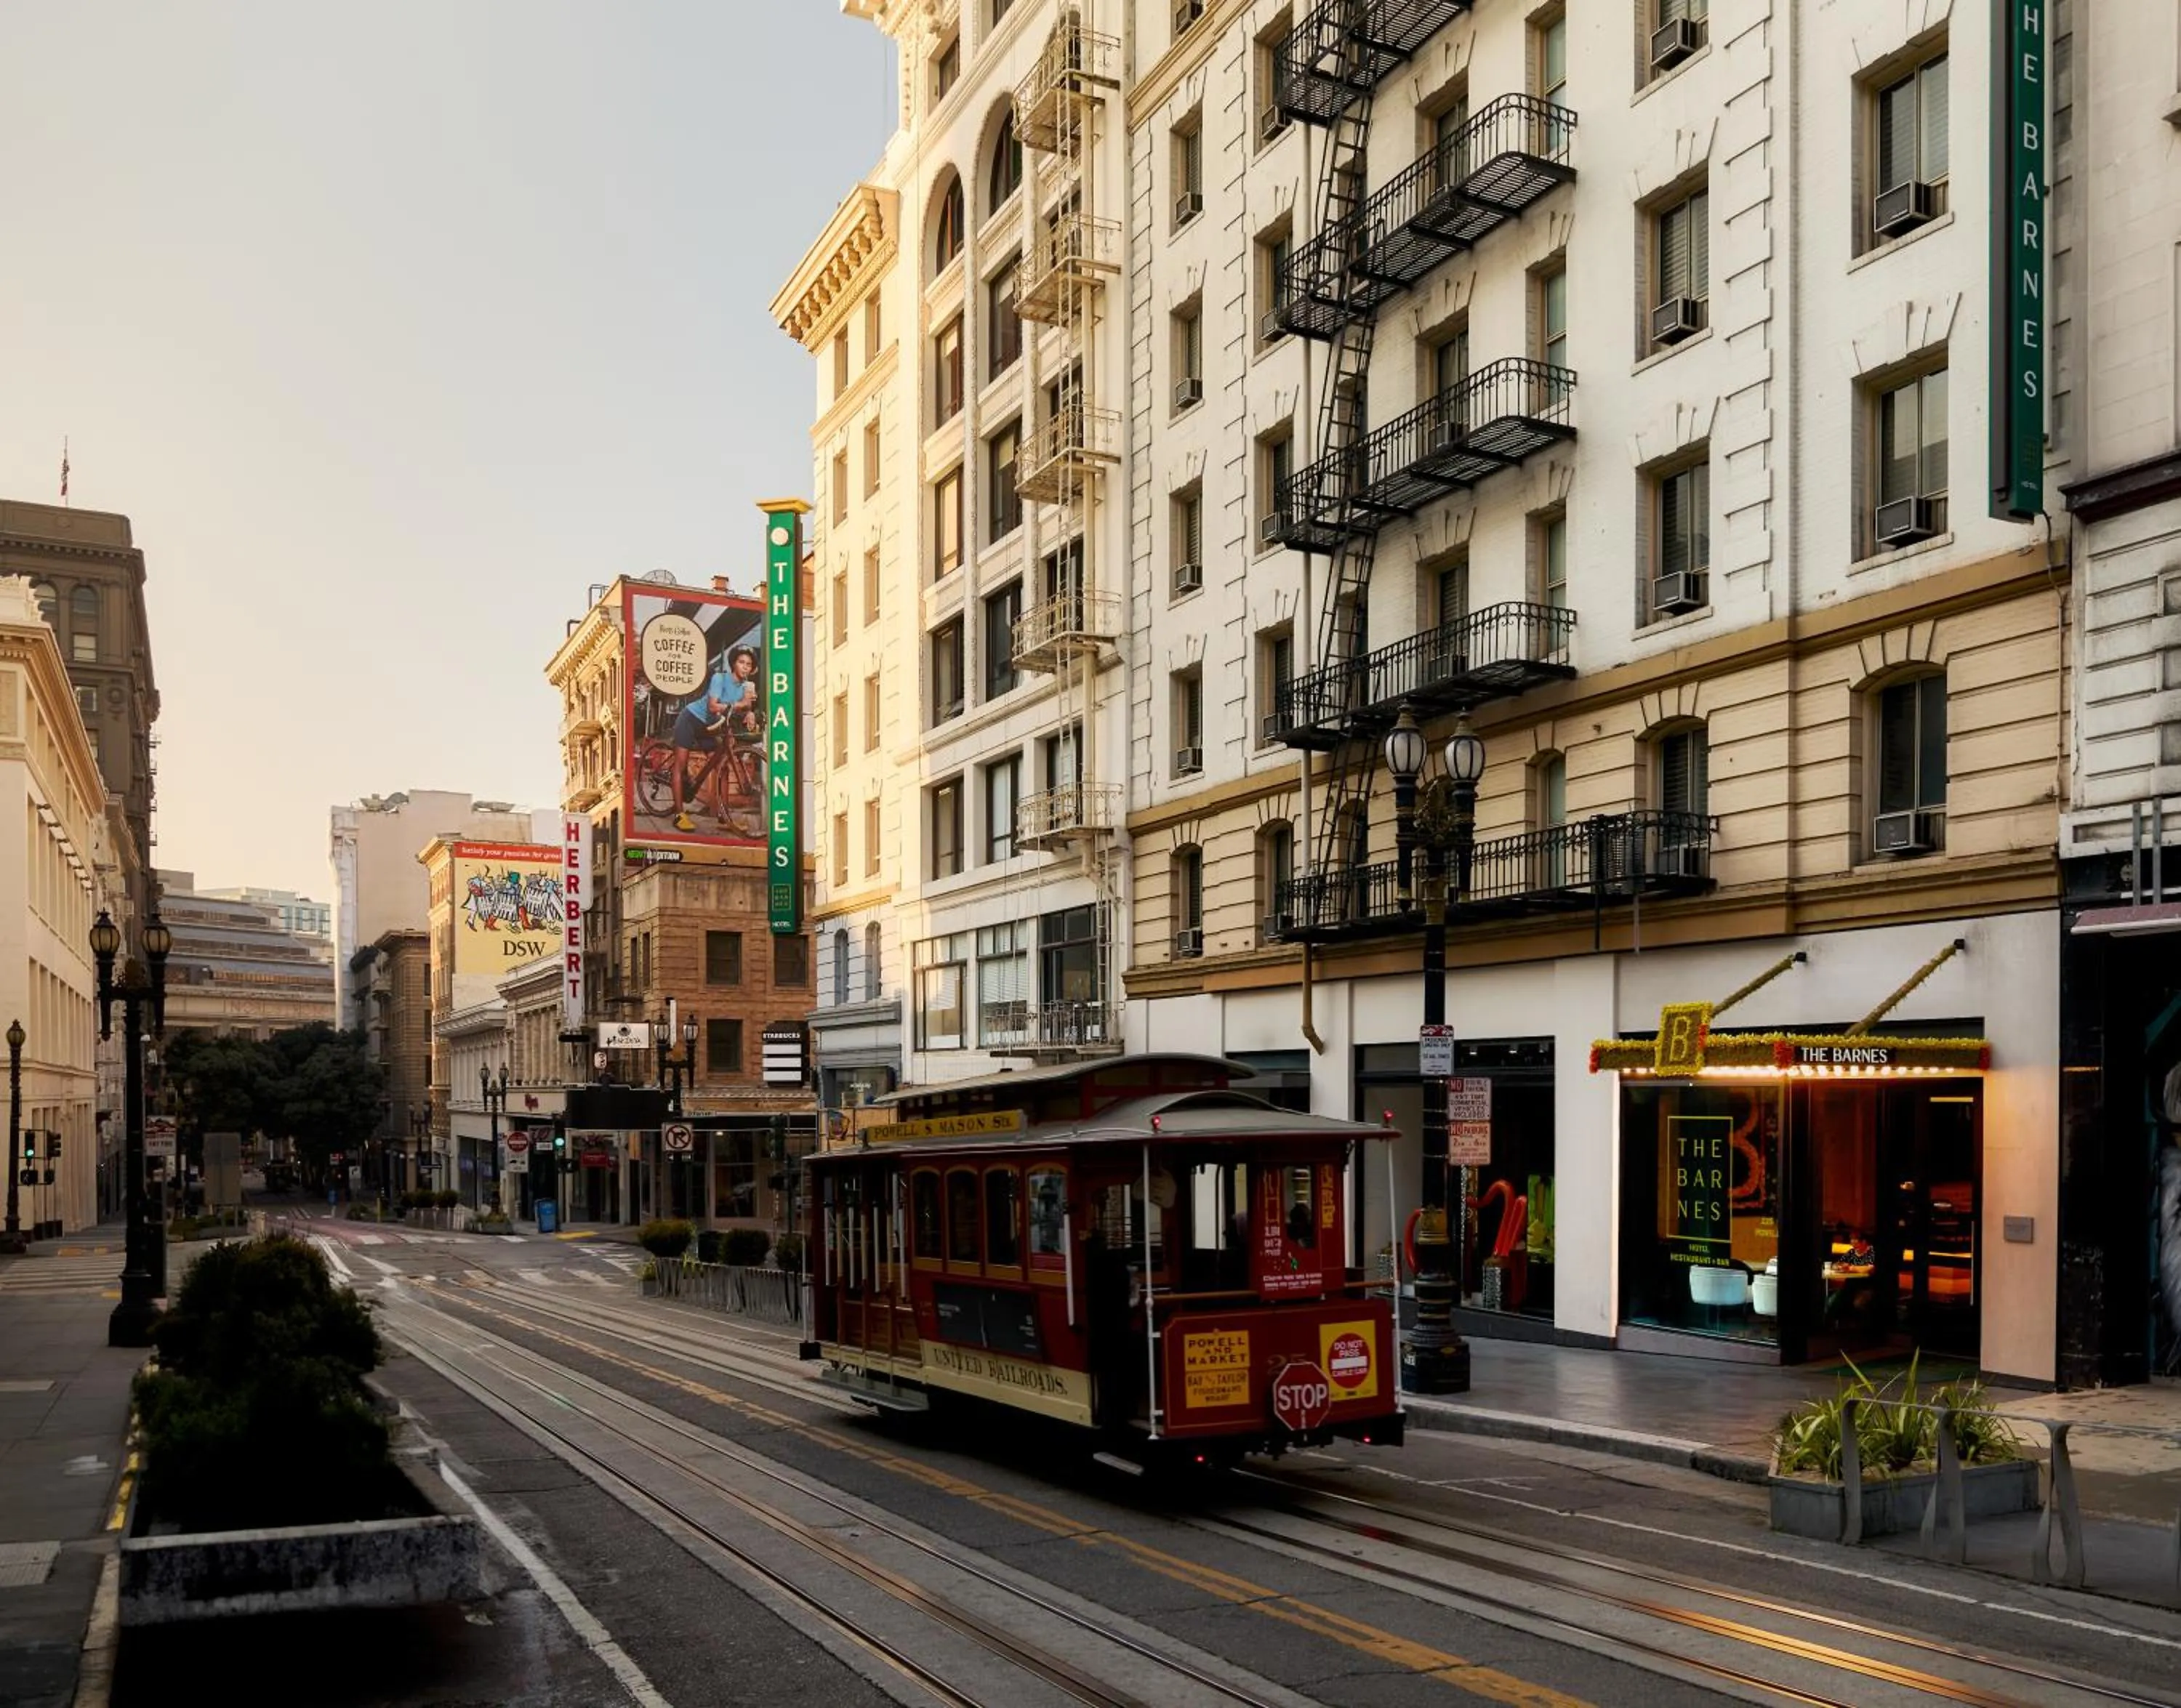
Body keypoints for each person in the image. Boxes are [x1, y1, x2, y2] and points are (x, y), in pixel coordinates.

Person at [669, 649, 753, 831]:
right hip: (691, 719)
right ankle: (678, 815)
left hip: (710, 726)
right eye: (741, 662)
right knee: (681, 765)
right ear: (734, 664)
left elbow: (745, 708)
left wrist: (750, 713)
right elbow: (713, 705)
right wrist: (740, 706)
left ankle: (724, 817)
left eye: (749, 664)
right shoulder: (720, 679)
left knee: (722, 768)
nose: (745, 667)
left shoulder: (746, 687)